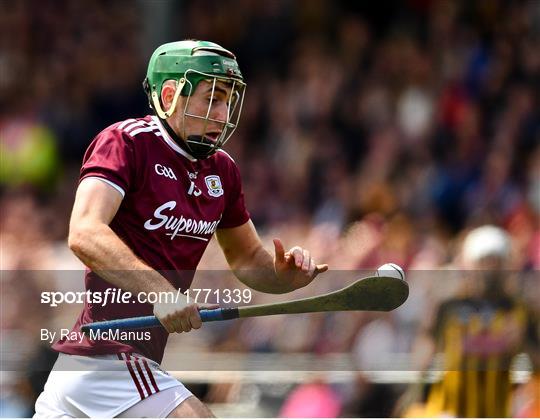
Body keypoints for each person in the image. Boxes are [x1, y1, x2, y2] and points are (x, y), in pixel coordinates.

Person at [33, 40, 328, 418]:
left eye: (228, 102)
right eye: (212, 99)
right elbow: (85, 231)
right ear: (171, 95)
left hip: (92, 370)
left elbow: (248, 259)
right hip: (108, 358)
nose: (222, 115)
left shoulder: (223, 171)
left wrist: (282, 275)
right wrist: (162, 293)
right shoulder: (126, 143)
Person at [396, 225, 539, 418]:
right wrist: (414, 394)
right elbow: (425, 350)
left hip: (497, 411)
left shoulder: (519, 310)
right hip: (450, 410)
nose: (490, 269)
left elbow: (536, 360)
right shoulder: (448, 306)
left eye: (496, 262)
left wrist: (522, 341)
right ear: (470, 263)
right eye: (484, 261)